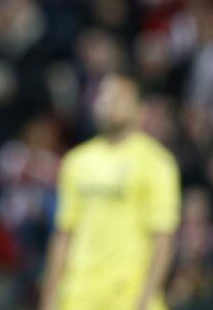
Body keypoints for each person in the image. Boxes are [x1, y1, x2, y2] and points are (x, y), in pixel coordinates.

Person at [40, 72, 181, 310]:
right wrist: (49, 299)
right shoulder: (76, 162)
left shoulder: (158, 163)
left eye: (119, 97)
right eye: (104, 96)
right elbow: (64, 233)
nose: (108, 103)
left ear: (140, 109)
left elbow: (163, 238)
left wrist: (146, 299)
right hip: (78, 295)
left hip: (128, 295)